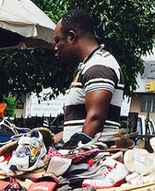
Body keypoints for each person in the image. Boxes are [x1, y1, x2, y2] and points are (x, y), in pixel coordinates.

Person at [52, 9, 124, 145]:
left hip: (89, 163)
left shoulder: (99, 67)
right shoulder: (89, 65)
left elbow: (95, 119)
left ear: (71, 37)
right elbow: (76, 127)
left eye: (57, 41)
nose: (55, 48)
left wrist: (73, 152)